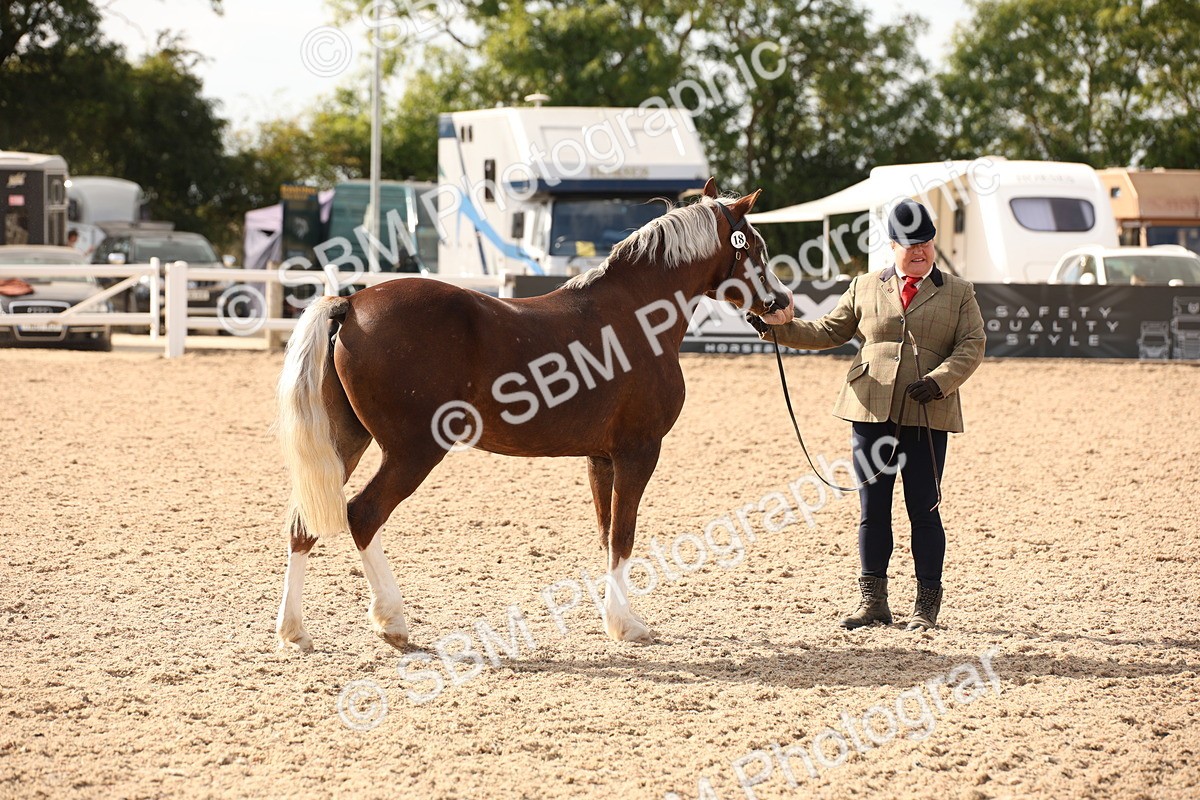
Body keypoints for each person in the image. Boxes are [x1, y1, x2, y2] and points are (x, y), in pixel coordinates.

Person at [754, 199, 985, 631]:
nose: (920, 251)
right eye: (911, 245)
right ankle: (873, 602)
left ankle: (926, 606)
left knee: (924, 508)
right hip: (869, 411)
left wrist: (939, 380)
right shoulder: (865, 285)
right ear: (892, 245)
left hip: (927, 413)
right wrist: (777, 328)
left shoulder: (958, 292)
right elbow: (827, 331)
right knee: (872, 509)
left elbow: (972, 345)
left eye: (926, 243)